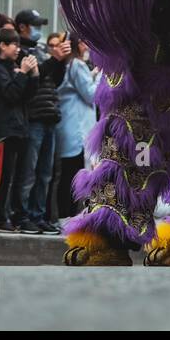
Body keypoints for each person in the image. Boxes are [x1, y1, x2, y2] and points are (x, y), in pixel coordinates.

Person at [0, 30, 38, 231]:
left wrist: (33, 75)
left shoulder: (13, 67)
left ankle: (8, 215)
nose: (18, 49)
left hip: (19, 129)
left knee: (15, 177)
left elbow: (26, 97)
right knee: (0, 176)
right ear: (2, 46)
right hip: (3, 130)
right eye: (13, 44)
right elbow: (10, 94)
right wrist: (22, 74)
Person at [15, 31, 69, 234]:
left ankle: (38, 215)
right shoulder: (23, 56)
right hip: (34, 120)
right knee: (29, 171)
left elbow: (56, 80)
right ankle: (23, 216)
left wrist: (60, 61)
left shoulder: (46, 59)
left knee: (45, 173)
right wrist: (55, 59)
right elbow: (38, 76)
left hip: (50, 120)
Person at [55, 36, 100, 221]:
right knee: (72, 175)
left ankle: (66, 214)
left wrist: (93, 76)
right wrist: (102, 78)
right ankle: (67, 215)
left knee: (68, 173)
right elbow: (91, 94)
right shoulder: (77, 65)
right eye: (83, 42)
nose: (87, 45)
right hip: (77, 129)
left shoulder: (71, 65)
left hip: (70, 126)